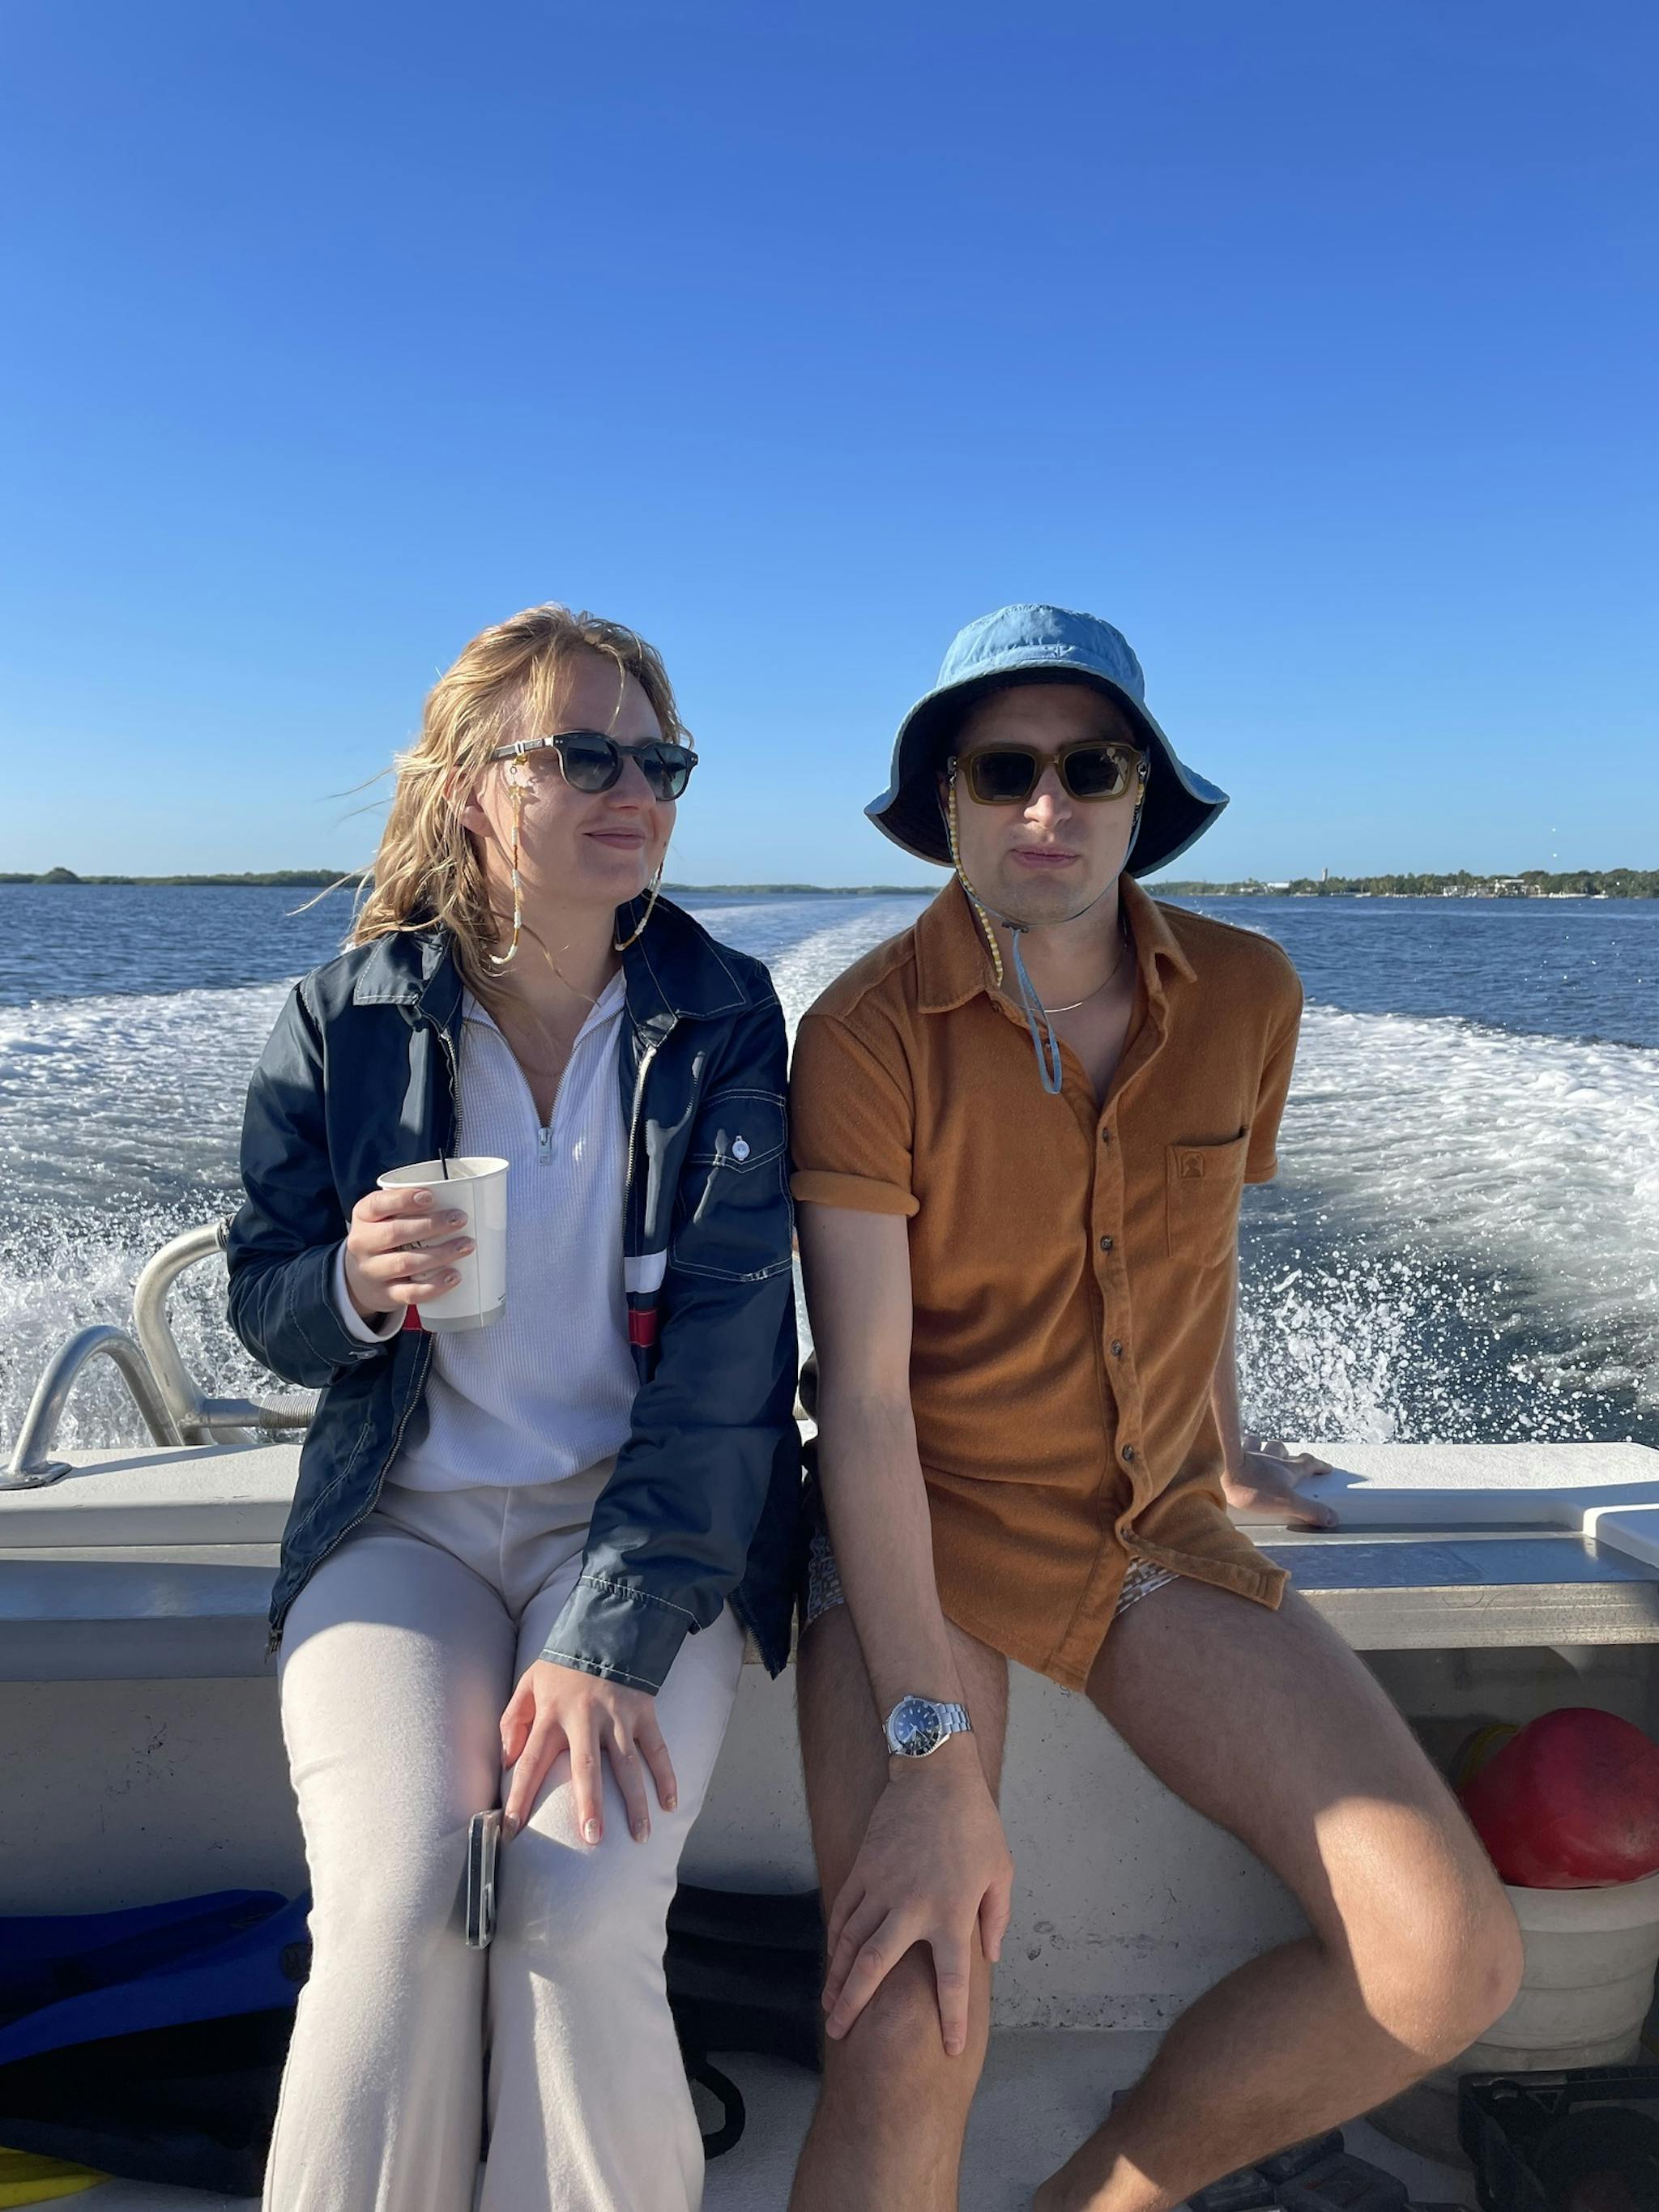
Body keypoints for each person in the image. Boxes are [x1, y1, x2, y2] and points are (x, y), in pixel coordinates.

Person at [785, 604, 1522, 2212]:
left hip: (1154, 1532)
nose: (1046, 806)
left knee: (1447, 1963)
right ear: (948, 804)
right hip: (929, 1523)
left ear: (1141, 793)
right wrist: (927, 1756)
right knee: (910, 2022)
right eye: (1003, 771)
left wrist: (1231, 1446)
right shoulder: (862, 1036)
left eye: (1090, 768)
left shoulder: (1250, 992)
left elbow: (1195, 1248)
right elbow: (863, 1404)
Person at [226, 604, 800, 2212]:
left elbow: (732, 1365)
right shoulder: (345, 1020)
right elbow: (265, 1302)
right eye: (585, 755)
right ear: (472, 784)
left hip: (638, 1530)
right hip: (396, 1524)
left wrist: (609, 1637)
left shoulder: (723, 1016)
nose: (635, 791)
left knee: (572, 1909)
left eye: (661, 764)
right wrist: (347, 1281)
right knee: (397, 1900)